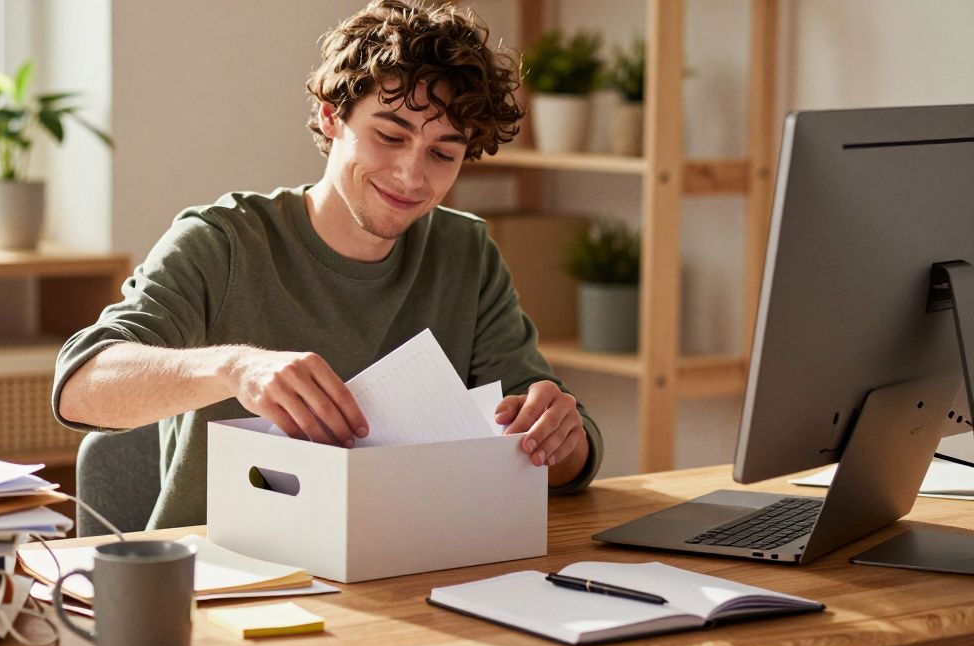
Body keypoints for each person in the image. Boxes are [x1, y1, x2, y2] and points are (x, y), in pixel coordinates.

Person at [54, 0, 604, 532]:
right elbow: (81, 385)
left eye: (443, 153)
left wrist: (560, 435)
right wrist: (235, 369)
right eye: (390, 136)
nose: (413, 177)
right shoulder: (221, 243)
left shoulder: (466, 254)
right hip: (229, 575)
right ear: (331, 116)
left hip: (402, 565)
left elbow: (565, 463)